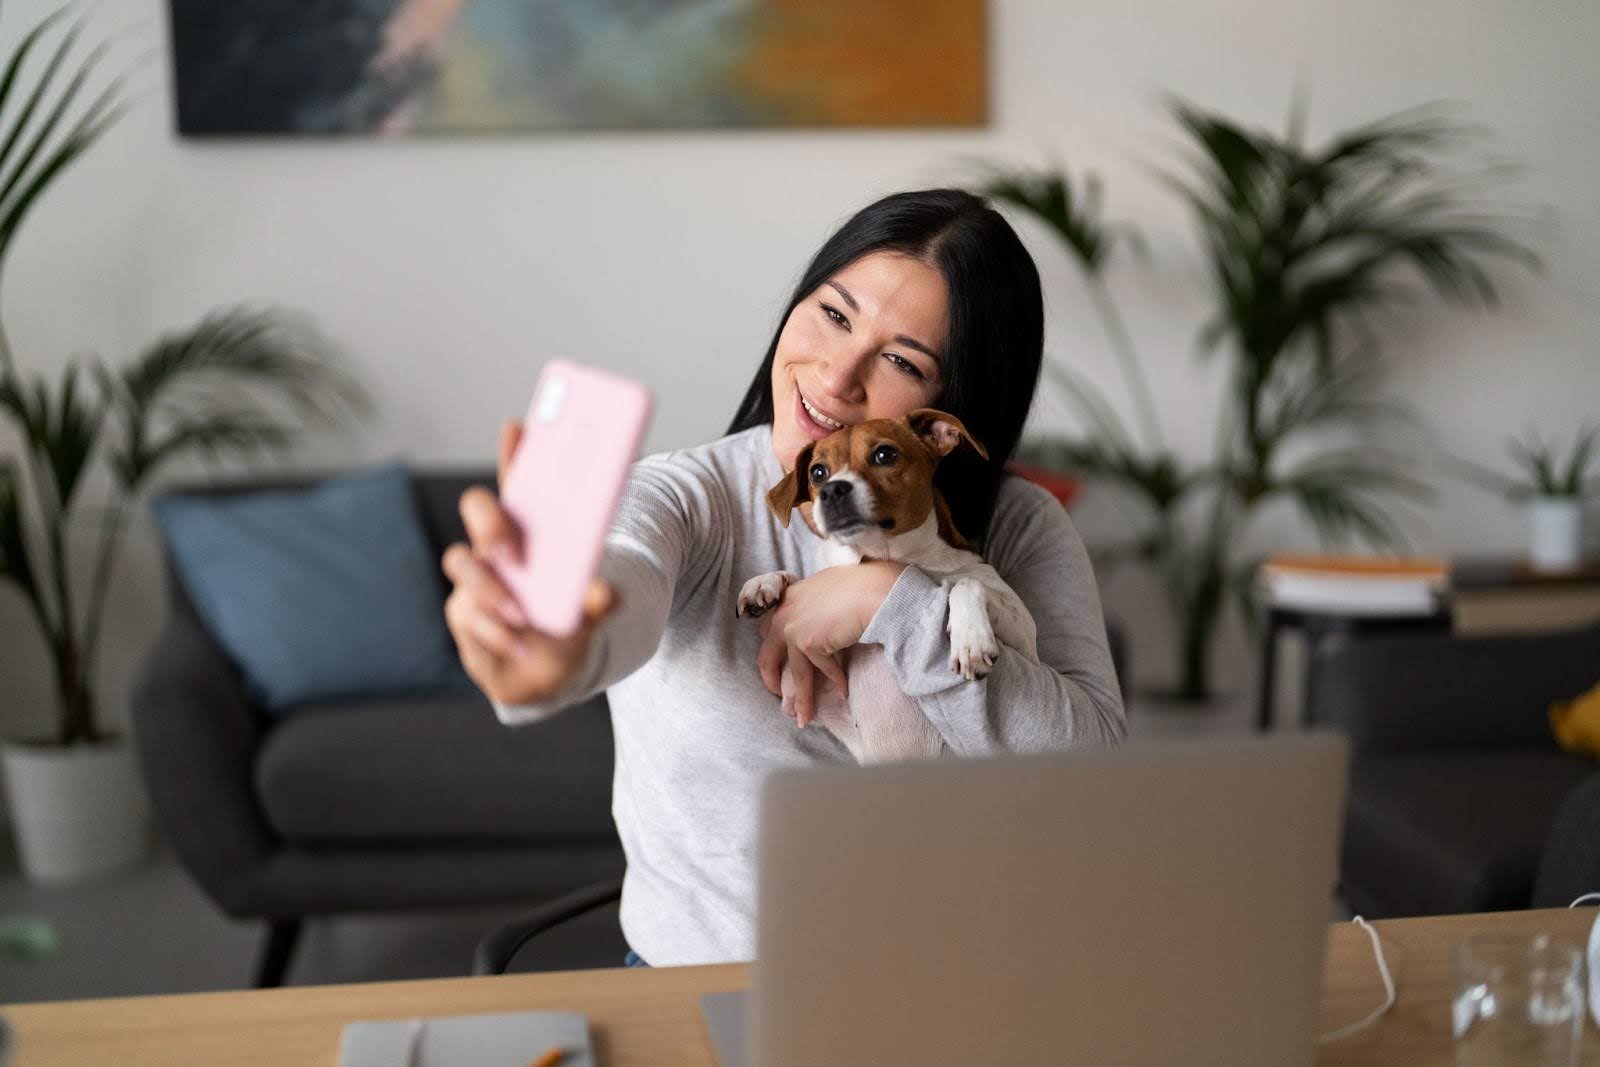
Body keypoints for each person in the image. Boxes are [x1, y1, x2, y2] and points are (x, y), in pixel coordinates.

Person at [441, 188, 1126, 968]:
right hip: (705, 986)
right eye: (834, 314)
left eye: (902, 360)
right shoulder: (691, 498)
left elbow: (1094, 770)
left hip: (957, 984)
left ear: (952, 408)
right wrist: (558, 646)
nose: (836, 377)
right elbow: (622, 578)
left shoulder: (1022, 527)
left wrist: (893, 600)